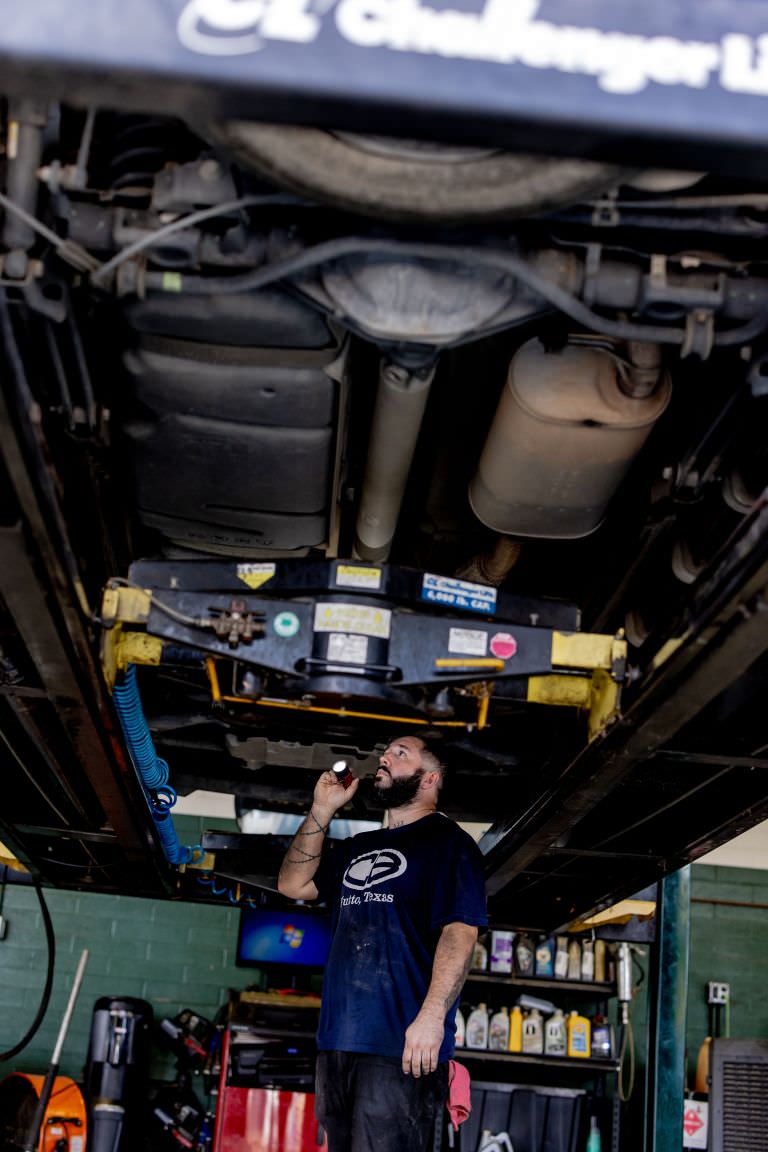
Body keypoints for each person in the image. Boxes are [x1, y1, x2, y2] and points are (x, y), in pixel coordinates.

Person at [277, 731, 488, 1152]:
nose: (384, 759)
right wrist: (322, 809)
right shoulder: (359, 847)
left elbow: (460, 933)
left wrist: (432, 1018)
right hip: (338, 1041)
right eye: (385, 752)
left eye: (400, 753)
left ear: (430, 778)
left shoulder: (450, 845)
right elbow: (292, 884)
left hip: (402, 1046)